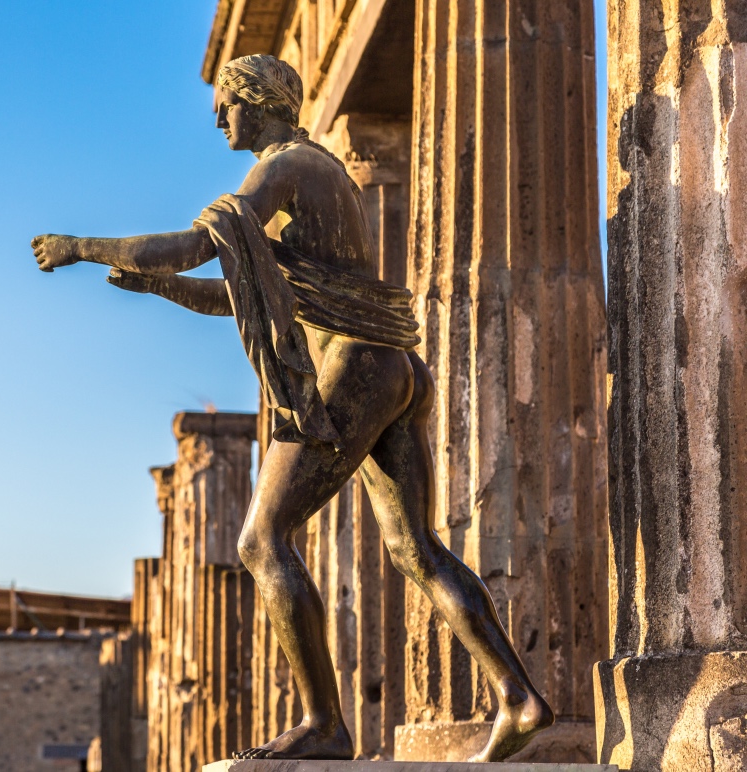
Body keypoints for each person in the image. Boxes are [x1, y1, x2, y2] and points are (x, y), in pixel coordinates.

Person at [31, 54, 552, 762]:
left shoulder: (288, 167)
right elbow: (249, 294)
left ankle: (326, 726)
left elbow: (191, 248)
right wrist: (158, 291)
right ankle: (518, 699)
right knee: (415, 549)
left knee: (259, 539)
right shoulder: (323, 176)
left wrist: (80, 247)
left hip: (354, 369)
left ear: (259, 102)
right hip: (391, 368)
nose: (218, 118)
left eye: (227, 104)